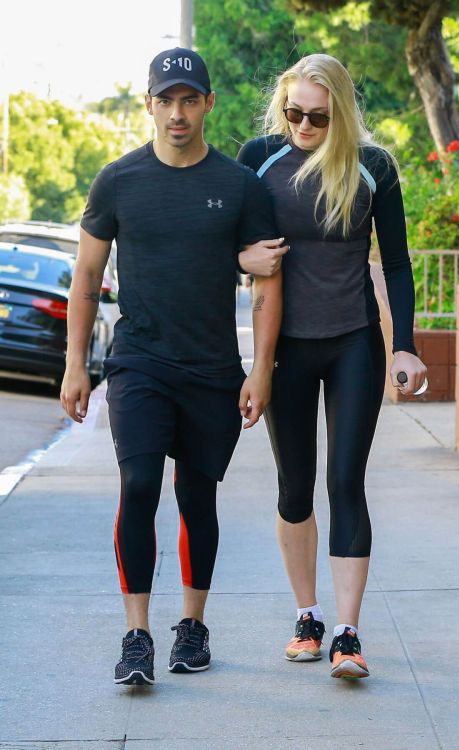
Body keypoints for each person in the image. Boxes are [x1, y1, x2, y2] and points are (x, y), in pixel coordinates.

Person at [60, 47, 283, 685]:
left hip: (213, 368)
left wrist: (260, 369)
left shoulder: (240, 186)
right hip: (138, 363)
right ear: (150, 104)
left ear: (208, 103)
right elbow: (86, 276)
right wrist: (77, 365)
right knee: (138, 486)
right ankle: (137, 635)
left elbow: (268, 279)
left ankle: (193, 625)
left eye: (190, 99)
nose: (177, 112)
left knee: (195, 495)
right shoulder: (118, 180)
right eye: (166, 100)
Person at [237, 53, 427, 679]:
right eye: (293, 113)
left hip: (353, 342)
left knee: (345, 482)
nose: (303, 126)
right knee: (295, 488)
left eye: (317, 117)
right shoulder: (259, 158)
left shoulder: (374, 167)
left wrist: (406, 345)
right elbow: (234, 248)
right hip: (286, 347)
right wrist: (245, 261)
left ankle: (347, 633)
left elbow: (395, 263)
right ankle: (307, 616)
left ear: (340, 112)